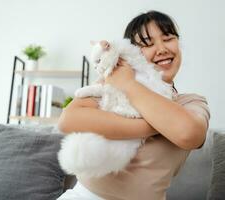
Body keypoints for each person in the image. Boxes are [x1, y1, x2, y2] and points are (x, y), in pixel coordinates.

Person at [57, 10, 210, 200]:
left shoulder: (189, 102)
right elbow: (68, 120)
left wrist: (130, 85)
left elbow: (189, 134)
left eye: (168, 38)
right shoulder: (112, 82)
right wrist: (161, 125)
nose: (162, 49)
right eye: (147, 43)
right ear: (132, 53)